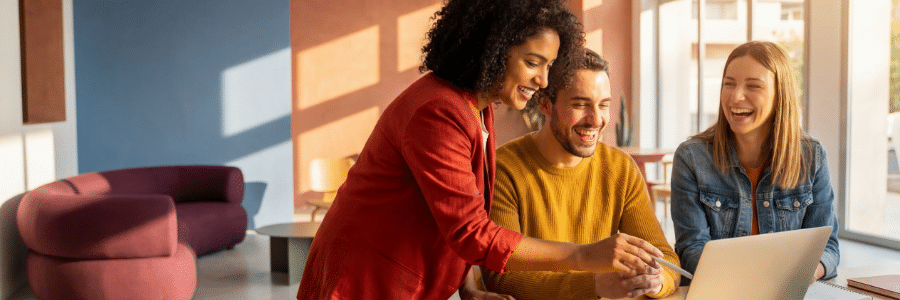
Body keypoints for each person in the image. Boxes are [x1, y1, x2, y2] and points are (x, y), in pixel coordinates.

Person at [297, 1, 665, 299]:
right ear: (492, 50)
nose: (543, 81)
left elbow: (452, 208)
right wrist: (584, 255)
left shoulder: (479, 107)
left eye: (550, 66)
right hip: (363, 282)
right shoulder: (438, 111)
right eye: (532, 63)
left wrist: (467, 286)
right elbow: (472, 232)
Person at [458, 48, 681, 300]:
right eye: (580, 104)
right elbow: (501, 275)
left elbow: (666, 259)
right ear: (545, 104)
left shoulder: (621, 169)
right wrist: (595, 286)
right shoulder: (504, 169)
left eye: (603, 105)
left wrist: (655, 281)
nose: (595, 119)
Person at [670, 41, 840, 285]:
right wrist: (755, 278)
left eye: (753, 86)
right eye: (729, 84)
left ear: (780, 94)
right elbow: (691, 250)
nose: (736, 96)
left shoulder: (811, 156)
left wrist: (806, 272)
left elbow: (828, 248)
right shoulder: (691, 158)